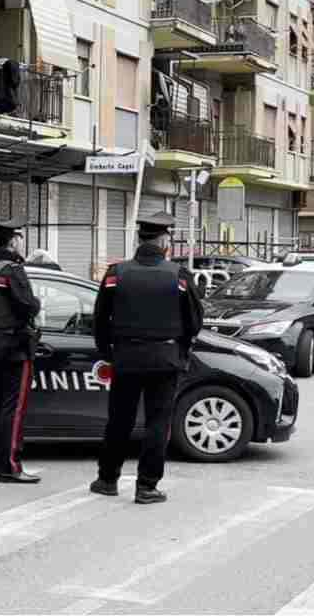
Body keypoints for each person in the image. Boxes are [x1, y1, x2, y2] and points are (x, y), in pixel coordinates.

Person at [90, 211, 204, 504]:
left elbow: (100, 319)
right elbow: (194, 320)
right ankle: (147, 486)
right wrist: (182, 350)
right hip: (165, 359)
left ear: (140, 239)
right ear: (165, 240)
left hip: (126, 357)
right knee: (158, 422)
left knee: (119, 420)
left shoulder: (116, 274)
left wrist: (108, 352)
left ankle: (107, 479)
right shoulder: (179, 276)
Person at [0, 217, 42, 484]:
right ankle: (11, 466)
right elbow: (28, 306)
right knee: (13, 408)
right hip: (16, 345)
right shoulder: (12, 270)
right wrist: (36, 302)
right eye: (20, 238)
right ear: (14, 241)